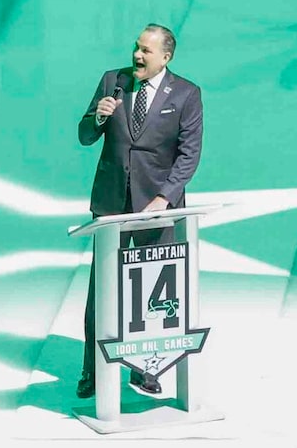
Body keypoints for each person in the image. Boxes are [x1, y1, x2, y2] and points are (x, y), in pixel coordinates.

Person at [74, 23, 205, 398]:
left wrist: (164, 198)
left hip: (157, 210)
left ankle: (147, 369)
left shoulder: (186, 94)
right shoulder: (111, 81)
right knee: (102, 293)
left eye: (146, 51)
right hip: (112, 206)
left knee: (152, 294)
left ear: (166, 57)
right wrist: (97, 116)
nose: (137, 56)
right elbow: (85, 136)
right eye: (136, 47)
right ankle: (92, 371)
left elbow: (188, 154)